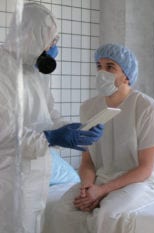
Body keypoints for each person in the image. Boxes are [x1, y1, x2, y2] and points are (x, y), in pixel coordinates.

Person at [0, 3, 104, 233]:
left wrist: (75, 130)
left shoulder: (35, 73)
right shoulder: (3, 71)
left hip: (37, 177)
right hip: (9, 178)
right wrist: (50, 137)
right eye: (51, 40)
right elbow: (5, 132)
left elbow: (50, 115)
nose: (53, 47)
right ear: (31, 37)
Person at [48, 44, 154, 233]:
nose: (102, 72)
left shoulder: (146, 108)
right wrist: (87, 186)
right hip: (100, 179)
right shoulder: (88, 107)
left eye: (110, 67)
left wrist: (102, 191)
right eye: (99, 66)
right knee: (62, 211)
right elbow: (88, 161)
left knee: (107, 215)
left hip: (140, 183)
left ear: (127, 75)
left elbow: (145, 169)